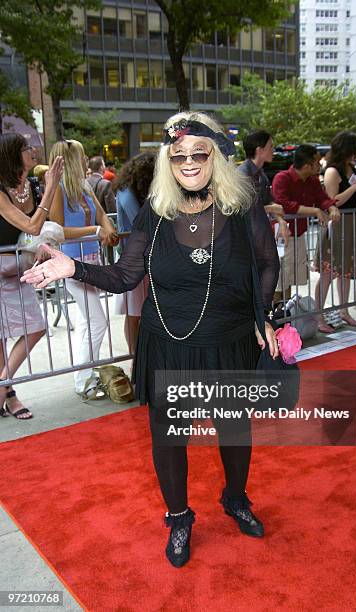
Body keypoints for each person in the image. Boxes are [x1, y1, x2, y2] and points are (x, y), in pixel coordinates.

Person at [21, 111, 280, 568]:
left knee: (234, 428)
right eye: (178, 155)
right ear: (167, 162)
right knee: (170, 435)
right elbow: (126, 274)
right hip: (170, 342)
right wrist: (73, 268)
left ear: (214, 156)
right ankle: (179, 517)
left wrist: (264, 316)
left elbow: (267, 263)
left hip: (230, 338)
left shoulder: (242, 209)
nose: (190, 161)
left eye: (199, 152)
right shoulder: (155, 214)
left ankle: (236, 498)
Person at [47, 139, 118, 397]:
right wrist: (96, 230)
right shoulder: (58, 189)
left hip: (91, 261)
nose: (87, 159)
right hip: (71, 265)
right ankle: (84, 379)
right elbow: (58, 231)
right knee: (97, 321)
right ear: (71, 160)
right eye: (82, 155)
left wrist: (107, 230)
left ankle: (85, 377)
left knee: (89, 322)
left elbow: (101, 215)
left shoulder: (84, 187)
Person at [0, 134, 63, 419]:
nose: (34, 150)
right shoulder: (1, 190)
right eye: (26, 148)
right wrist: (51, 189)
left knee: (36, 327)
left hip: (20, 270)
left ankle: (1, 386)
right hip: (1, 271)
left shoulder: (33, 187)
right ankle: (9, 395)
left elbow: (41, 231)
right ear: (13, 155)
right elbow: (31, 225)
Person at [314, 132, 356, 332]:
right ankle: (318, 315)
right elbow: (332, 201)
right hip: (336, 225)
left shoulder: (353, 168)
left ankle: (344, 310)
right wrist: (355, 186)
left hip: (352, 224)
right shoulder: (332, 171)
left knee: (346, 272)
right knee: (328, 273)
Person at [272, 144, 340, 303]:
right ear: (307, 165)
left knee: (290, 278)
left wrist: (331, 207)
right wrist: (314, 211)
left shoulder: (312, 181)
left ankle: (285, 317)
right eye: (317, 162)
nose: (320, 164)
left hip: (299, 234)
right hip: (281, 235)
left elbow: (321, 198)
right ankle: (276, 319)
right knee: (279, 280)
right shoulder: (282, 178)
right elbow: (283, 204)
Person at [112, 153, 155, 355]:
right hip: (134, 261)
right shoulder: (126, 192)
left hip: (144, 258)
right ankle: (134, 357)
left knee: (141, 311)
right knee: (134, 313)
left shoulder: (132, 191)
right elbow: (139, 221)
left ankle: (140, 356)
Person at [239, 130, 289, 246]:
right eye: (271, 146)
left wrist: (281, 221)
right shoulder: (242, 175)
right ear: (259, 150)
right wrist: (271, 209)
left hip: (258, 235)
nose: (273, 150)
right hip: (245, 239)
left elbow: (268, 201)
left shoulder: (260, 174)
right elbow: (243, 210)